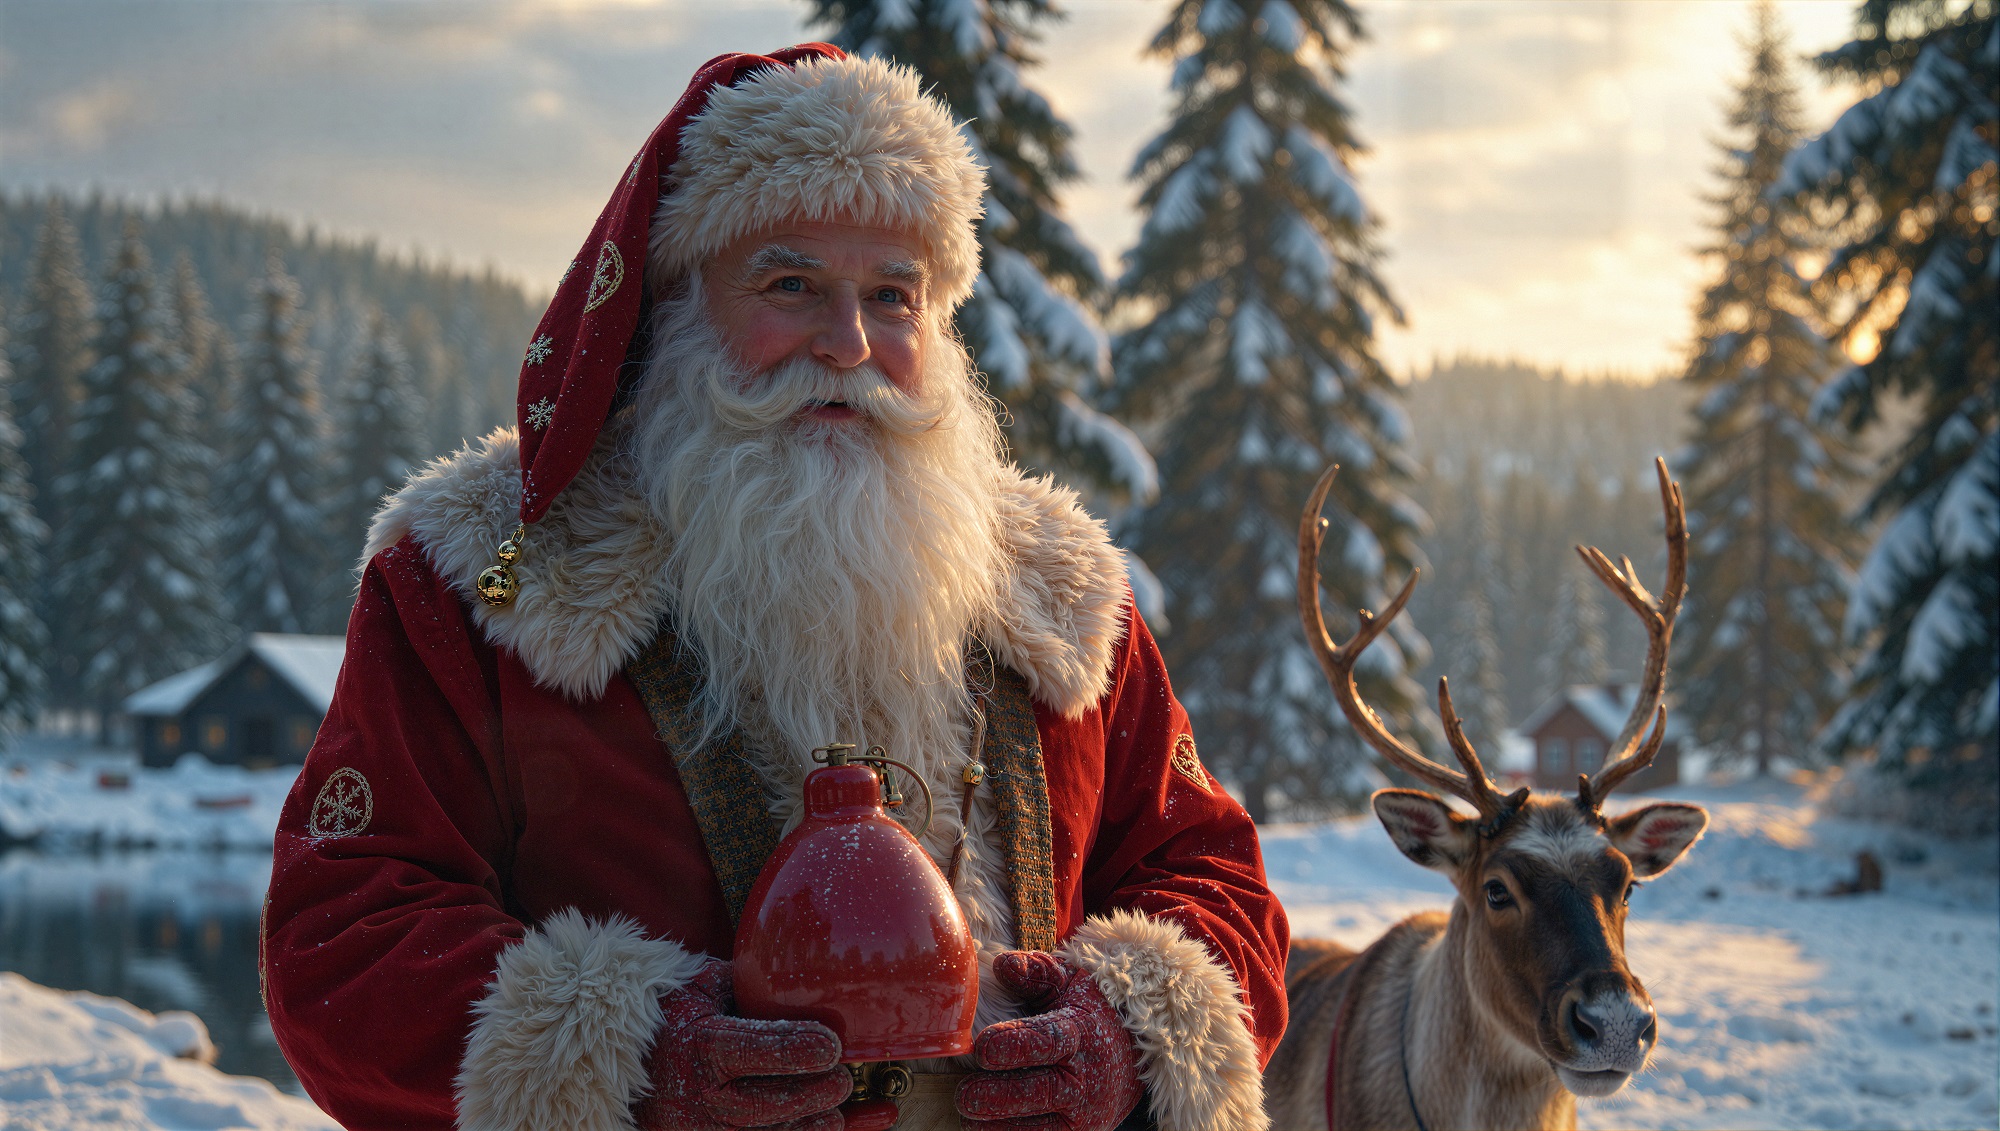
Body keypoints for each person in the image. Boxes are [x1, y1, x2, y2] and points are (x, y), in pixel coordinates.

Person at [262, 44, 1286, 1131]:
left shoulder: (1060, 596)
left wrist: (1128, 1035)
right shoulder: (485, 578)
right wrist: (630, 1057)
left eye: (891, 296)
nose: (845, 343)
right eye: (789, 284)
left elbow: (1209, 877)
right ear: (674, 304)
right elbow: (345, 931)